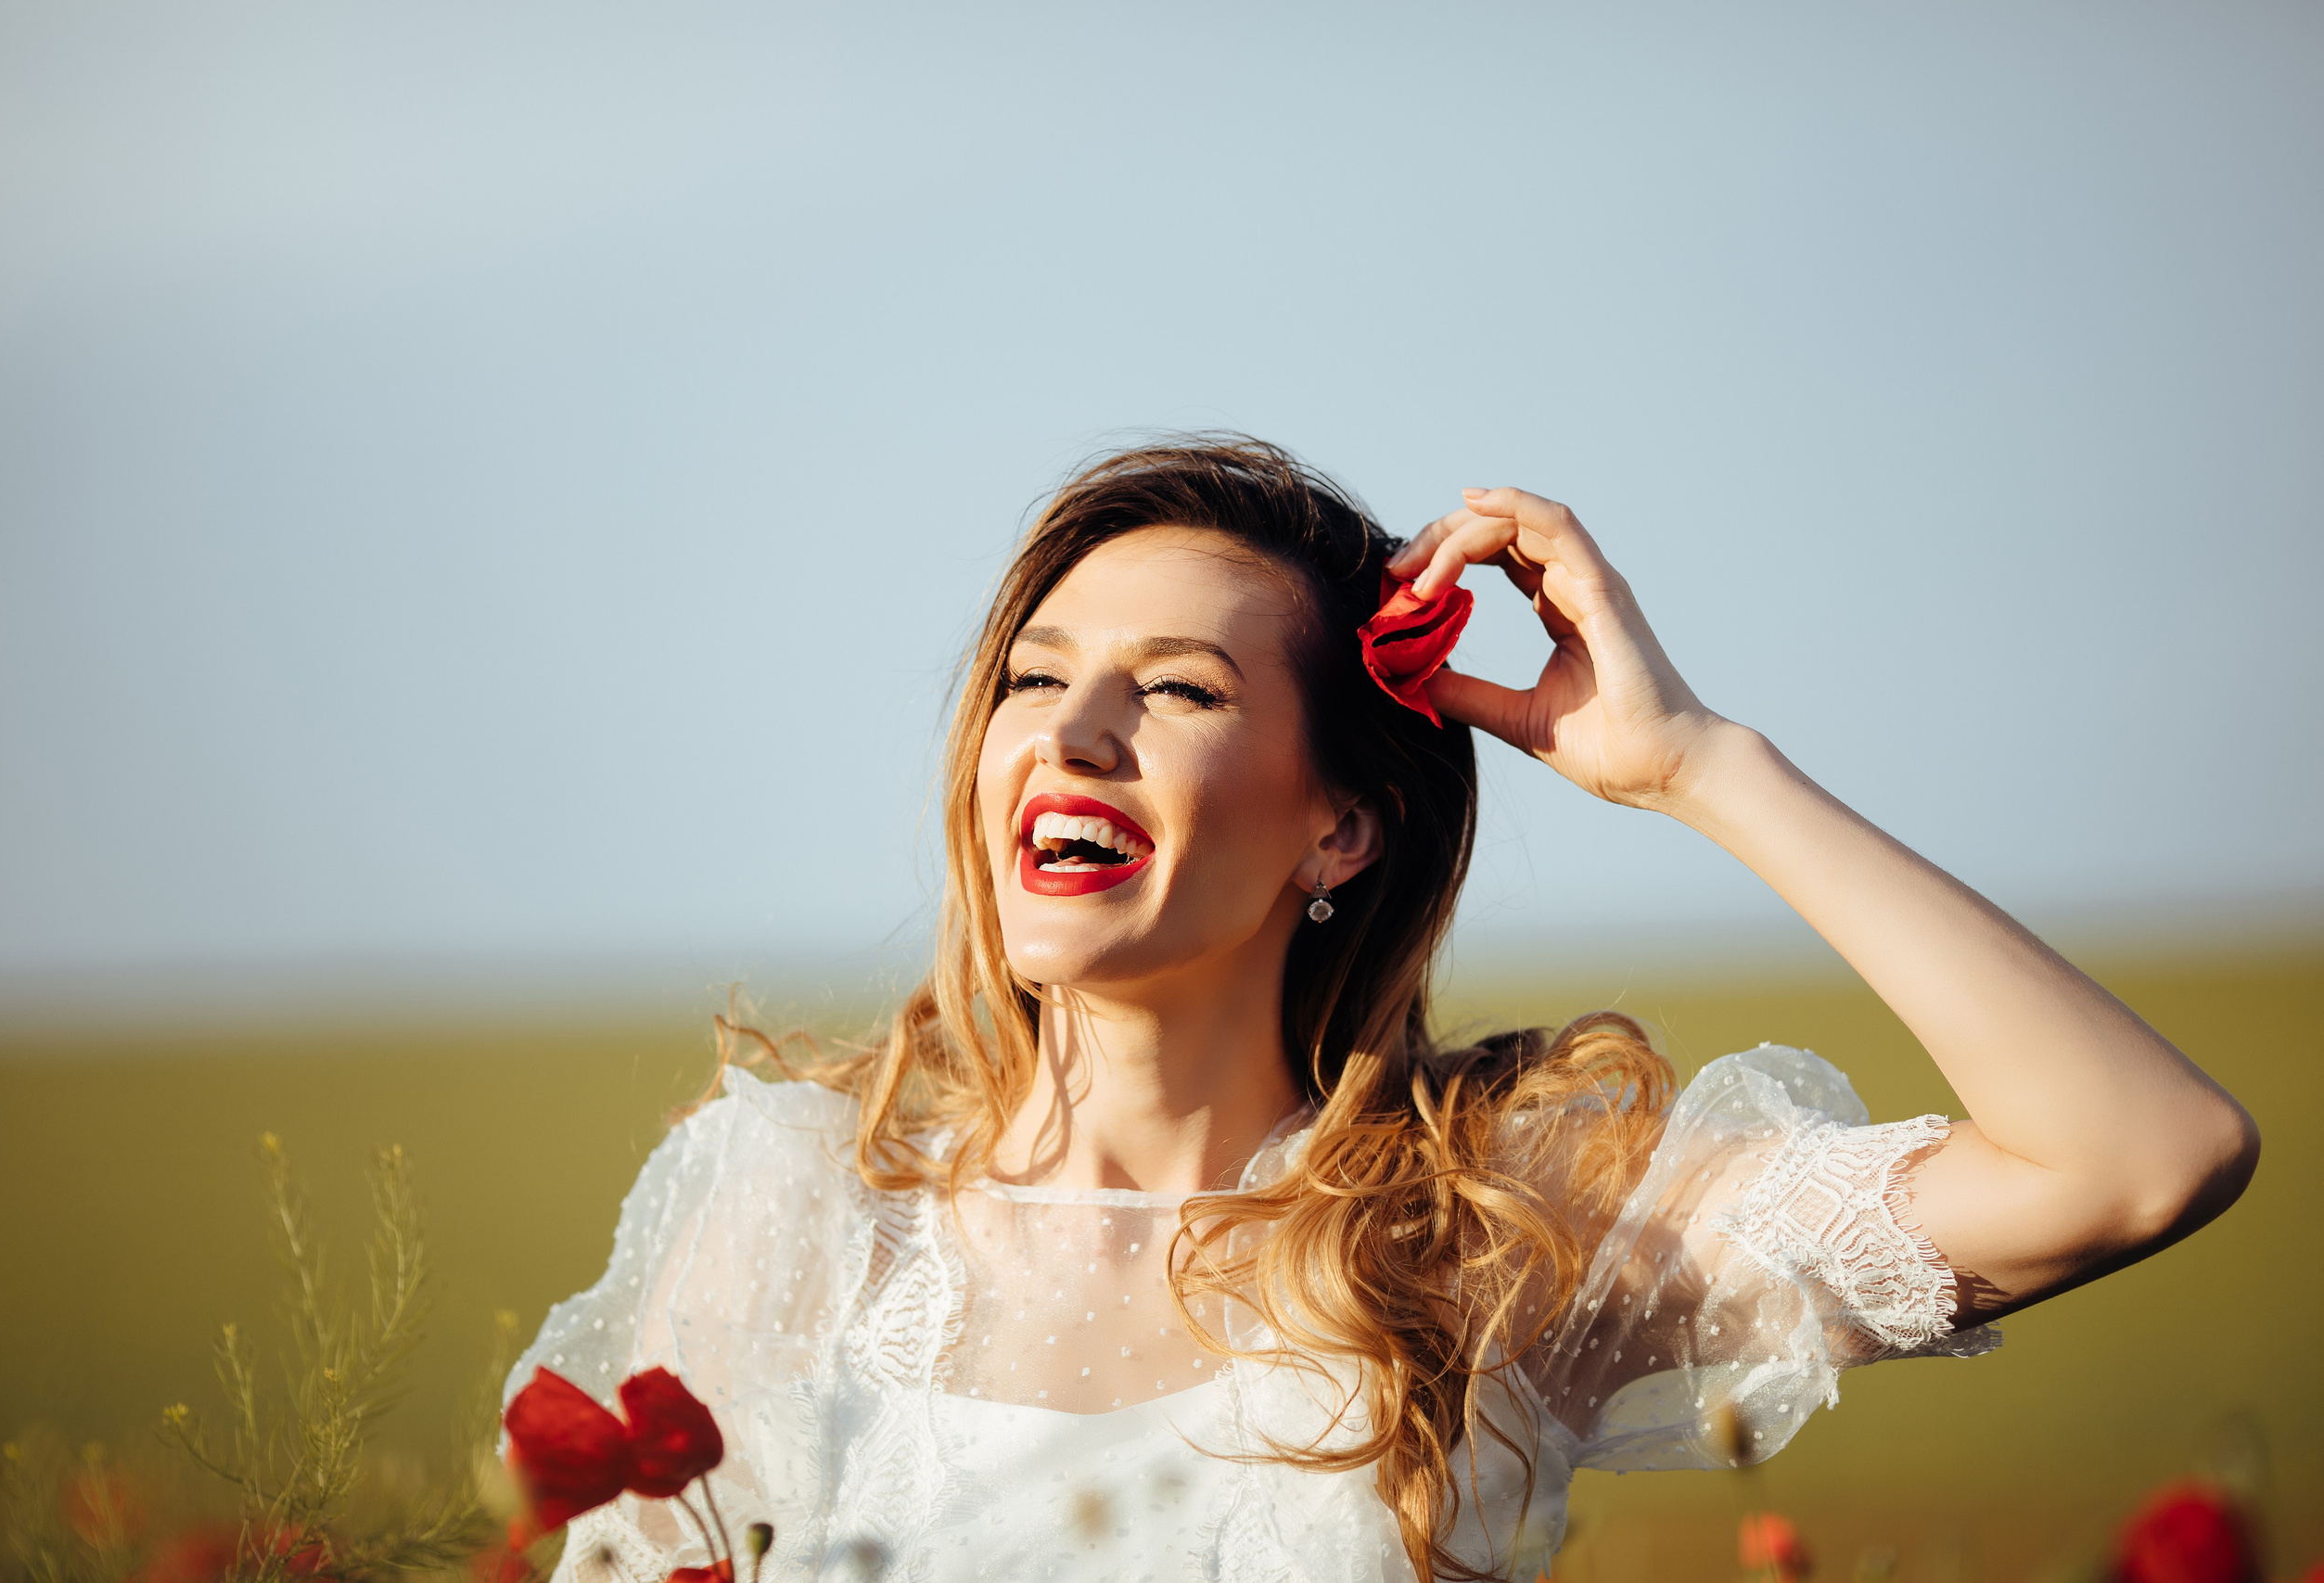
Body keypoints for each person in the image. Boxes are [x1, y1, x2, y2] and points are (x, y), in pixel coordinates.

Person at [510, 438, 2256, 1583]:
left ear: (1337, 823)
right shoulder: (801, 1207)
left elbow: (2135, 1157)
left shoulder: (1498, 1237)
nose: (1073, 729)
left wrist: (1698, 767)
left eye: (1176, 688)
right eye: (1034, 678)